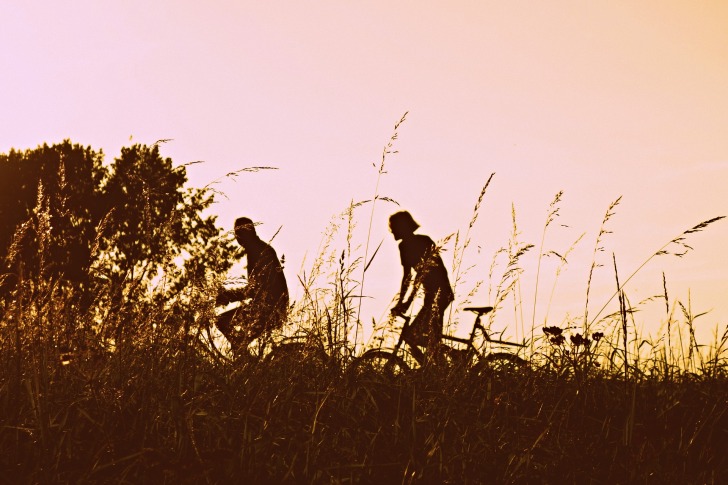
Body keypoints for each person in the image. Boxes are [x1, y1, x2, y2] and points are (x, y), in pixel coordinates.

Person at [215, 217, 289, 356]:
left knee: (221, 321)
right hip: (271, 306)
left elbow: (254, 289)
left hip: (268, 308)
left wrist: (229, 296)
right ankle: (243, 356)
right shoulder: (259, 248)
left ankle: (244, 359)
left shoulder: (257, 251)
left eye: (239, 234)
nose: (238, 239)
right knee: (240, 339)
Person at [389, 211, 454, 363]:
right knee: (431, 339)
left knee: (411, 337)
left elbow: (416, 277)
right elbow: (410, 278)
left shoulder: (410, 245)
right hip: (437, 294)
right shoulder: (413, 243)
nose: (391, 230)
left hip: (439, 294)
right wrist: (402, 303)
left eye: (393, 227)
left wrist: (405, 303)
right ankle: (439, 371)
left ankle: (439, 367)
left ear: (401, 227)